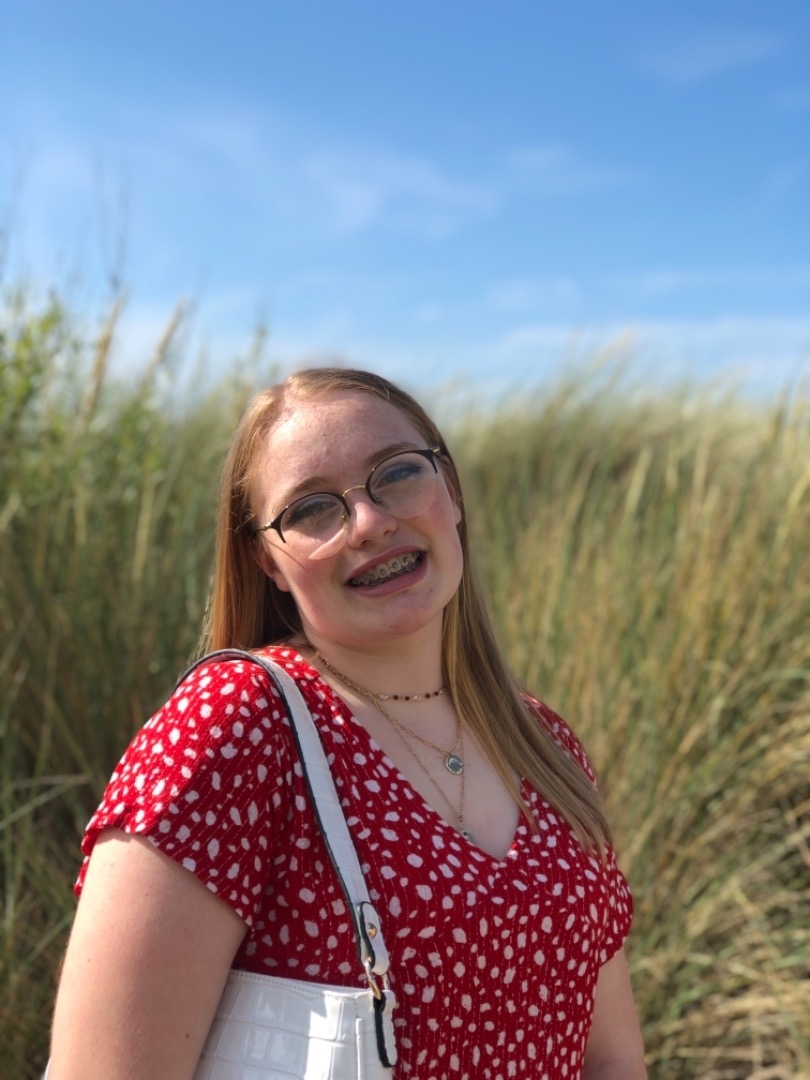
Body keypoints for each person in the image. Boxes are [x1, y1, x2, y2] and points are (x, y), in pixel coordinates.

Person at [48, 367, 647, 1079]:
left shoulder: (543, 742)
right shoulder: (239, 723)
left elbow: (611, 1057)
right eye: (311, 509)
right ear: (268, 562)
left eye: (397, 473)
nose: (370, 522)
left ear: (451, 491)